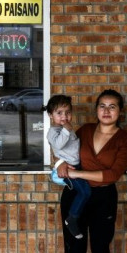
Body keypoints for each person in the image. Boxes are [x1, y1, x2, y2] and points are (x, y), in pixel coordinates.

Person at [55, 89, 127, 253]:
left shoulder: (124, 138)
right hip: (74, 197)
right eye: (102, 106)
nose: (107, 111)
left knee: (101, 250)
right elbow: (64, 150)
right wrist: (60, 164)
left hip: (103, 199)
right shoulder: (85, 131)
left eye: (112, 106)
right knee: (74, 252)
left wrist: (76, 172)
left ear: (120, 111)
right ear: (96, 109)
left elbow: (112, 174)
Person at [45, 94, 91, 239]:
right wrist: (66, 129)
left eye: (68, 112)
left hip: (77, 167)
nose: (64, 116)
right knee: (85, 192)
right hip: (68, 170)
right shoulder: (53, 132)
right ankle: (72, 218)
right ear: (50, 115)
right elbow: (58, 145)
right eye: (59, 113)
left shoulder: (68, 129)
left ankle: (76, 215)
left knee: (85, 192)